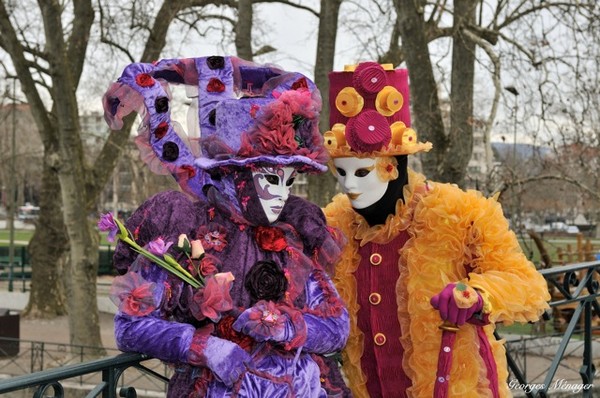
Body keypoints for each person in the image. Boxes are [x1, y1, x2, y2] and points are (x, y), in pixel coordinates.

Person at [102, 56, 350, 397]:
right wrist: (204, 348)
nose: (282, 195)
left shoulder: (291, 235)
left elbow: (337, 326)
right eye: (271, 179)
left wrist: (285, 325)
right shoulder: (186, 232)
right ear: (237, 173)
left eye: (289, 181)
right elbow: (130, 327)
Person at [322, 62, 550, 397]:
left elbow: (524, 282)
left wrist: (479, 296)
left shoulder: (460, 213)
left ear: (394, 167)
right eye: (341, 172)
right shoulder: (333, 225)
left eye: (362, 172)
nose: (349, 185)